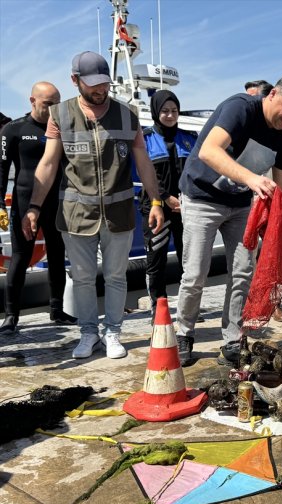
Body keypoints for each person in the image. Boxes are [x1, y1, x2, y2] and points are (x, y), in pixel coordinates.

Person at [22, 51, 165, 359]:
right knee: (84, 277)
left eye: (105, 84)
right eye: (93, 85)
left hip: (119, 213)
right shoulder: (60, 115)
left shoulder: (127, 115)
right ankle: (89, 333)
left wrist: (156, 201)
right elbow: (48, 164)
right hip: (76, 216)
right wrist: (34, 206)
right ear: (75, 81)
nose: (101, 91)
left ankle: (113, 333)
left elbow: (144, 162)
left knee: (116, 276)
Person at [175, 75, 282, 365]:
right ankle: (183, 333)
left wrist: (281, 216)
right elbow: (209, 151)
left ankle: (233, 339)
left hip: (240, 205)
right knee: (196, 271)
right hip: (202, 197)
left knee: (243, 271)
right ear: (273, 94)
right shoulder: (241, 109)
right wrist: (251, 179)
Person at [0, 82, 77, 334]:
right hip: (24, 203)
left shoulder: (63, 129)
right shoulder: (13, 130)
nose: (54, 109)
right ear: (32, 101)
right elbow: (1, 171)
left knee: (57, 255)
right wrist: (1, 203)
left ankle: (57, 310)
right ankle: (11, 316)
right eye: (48, 104)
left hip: (57, 202)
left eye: (58, 104)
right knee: (20, 258)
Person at [245, 79, 282, 324]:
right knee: (248, 257)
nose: (251, 101)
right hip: (248, 203)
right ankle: (250, 302)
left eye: (254, 96)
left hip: (276, 203)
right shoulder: (246, 123)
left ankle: (274, 303)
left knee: (274, 258)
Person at [138, 90, 197, 312]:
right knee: (156, 260)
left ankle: (187, 307)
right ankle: (158, 307)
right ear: (156, 112)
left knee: (189, 260)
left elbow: (197, 171)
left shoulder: (190, 138)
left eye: (174, 111)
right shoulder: (144, 139)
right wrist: (165, 198)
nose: (170, 115)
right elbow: (143, 173)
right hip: (155, 208)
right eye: (165, 111)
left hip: (185, 208)